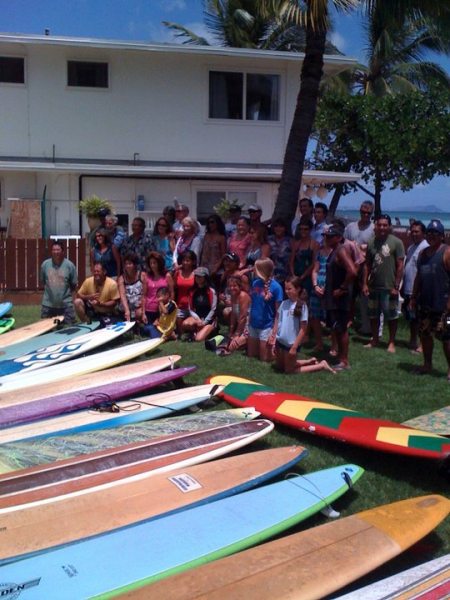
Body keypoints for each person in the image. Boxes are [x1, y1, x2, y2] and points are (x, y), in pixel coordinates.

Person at [411, 219, 450, 382]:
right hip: (426, 304)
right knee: (425, 334)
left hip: (445, 307)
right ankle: (427, 364)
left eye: (436, 233)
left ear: (442, 236)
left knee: (447, 337)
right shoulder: (423, 254)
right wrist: (413, 297)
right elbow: (418, 277)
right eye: (429, 233)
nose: (432, 236)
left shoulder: (447, 252)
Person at [272, 276, 336, 374]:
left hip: (291, 343)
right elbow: (278, 321)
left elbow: (303, 329)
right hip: (281, 341)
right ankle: (309, 361)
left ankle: (321, 365)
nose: (287, 291)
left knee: (289, 371)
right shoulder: (284, 303)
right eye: (285, 289)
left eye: (289, 289)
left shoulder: (301, 306)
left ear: (298, 289)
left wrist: (294, 347)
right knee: (280, 367)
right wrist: (273, 337)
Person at [363, 214, 405, 353]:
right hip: (374, 286)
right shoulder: (371, 242)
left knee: (391, 316)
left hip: (389, 287)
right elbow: (367, 265)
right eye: (379, 224)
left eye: (385, 225)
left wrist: (396, 286)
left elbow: (400, 265)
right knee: (373, 315)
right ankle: (375, 339)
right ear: (376, 226)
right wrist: (365, 284)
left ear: (389, 226)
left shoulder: (397, 242)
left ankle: (391, 342)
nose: (382, 227)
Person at [323, 225, 358, 370]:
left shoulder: (341, 250)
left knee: (342, 328)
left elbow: (353, 271)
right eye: (326, 236)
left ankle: (344, 361)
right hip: (333, 297)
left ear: (338, 237)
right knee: (337, 328)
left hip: (340, 298)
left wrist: (342, 288)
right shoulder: (334, 251)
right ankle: (340, 357)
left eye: (330, 236)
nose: (327, 239)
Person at [344, 200, 375, 334]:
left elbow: (375, 248)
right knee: (349, 295)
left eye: (368, 213)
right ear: (360, 211)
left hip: (366, 268)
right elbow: (344, 244)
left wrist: (363, 248)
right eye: (363, 212)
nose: (365, 215)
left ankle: (365, 324)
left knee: (364, 297)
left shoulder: (373, 228)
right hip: (351, 267)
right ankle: (348, 320)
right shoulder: (351, 227)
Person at [401, 221, 428, 353]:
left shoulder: (426, 247)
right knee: (412, 318)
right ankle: (413, 341)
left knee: (422, 319)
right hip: (408, 288)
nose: (414, 234)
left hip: (419, 291)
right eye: (412, 231)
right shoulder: (411, 247)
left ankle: (423, 345)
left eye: (417, 231)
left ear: (423, 233)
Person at [248, 258, 283, 362]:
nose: (253, 270)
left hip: (266, 326)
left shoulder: (276, 287)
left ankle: (281, 354)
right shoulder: (255, 283)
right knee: (251, 355)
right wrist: (248, 322)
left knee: (264, 359)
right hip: (253, 324)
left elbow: (278, 313)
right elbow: (252, 303)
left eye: (255, 268)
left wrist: (274, 333)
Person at [40, 240, 77, 324]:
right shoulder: (45, 265)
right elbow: (43, 281)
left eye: (58, 250)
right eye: (54, 250)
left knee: (69, 327)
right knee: (45, 327)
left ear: (63, 251)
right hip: (48, 304)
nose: (56, 252)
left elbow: (73, 284)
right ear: (51, 251)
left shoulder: (70, 266)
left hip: (66, 305)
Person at [181, 267, 218, 342]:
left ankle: (208, 331)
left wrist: (205, 322)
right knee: (185, 324)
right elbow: (190, 309)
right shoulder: (192, 291)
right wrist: (198, 320)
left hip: (209, 319)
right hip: (197, 318)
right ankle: (196, 332)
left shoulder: (211, 291)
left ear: (205, 277)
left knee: (199, 339)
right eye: (196, 276)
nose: (198, 278)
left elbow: (213, 309)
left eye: (200, 276)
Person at [219, 275, 250, 355]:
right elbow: (233, 315)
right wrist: (231, 331)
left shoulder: (243, 296)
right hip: (240, 325)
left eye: (234, 286)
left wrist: (236, 334)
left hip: (248, 326)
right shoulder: (233, 296)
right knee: (225, 342)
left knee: (231, 346)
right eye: (230, 286)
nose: (232, 288)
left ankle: (247, 342)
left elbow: (243, 317)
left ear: (240, 286)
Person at [142, 251, 174, 327]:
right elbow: (144, 296)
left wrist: (169, 307)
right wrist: (143, 313)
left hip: (162, 309)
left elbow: (172, 293)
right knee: (149, 329)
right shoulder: (147, 277)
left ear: (159, 263)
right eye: (151, 263)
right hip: (149, 309)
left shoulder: (167, 276)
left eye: (154, 263)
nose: (152, 265)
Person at [290, 217, 320, 298]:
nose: (303, 231)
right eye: (301, 229)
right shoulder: (296, 243)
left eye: (306, 229)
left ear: (310, 230)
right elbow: (291, 261)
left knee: (305, 298)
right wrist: (293, 275)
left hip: (307, 276)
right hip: (295, 275)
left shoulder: (315, 244)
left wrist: (303, 276)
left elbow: (314, 263)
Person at [173, 250, 197, 334]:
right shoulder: (177, 273)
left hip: (193, 307)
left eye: (187, 260)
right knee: (180, 332)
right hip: (180, 306)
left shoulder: (196, 274)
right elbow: (174, 288)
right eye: (183, 260)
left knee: (189, 326)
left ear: (193, 262)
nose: (185, 263)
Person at [117, 252, 144, 323]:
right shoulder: (121, 278)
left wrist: (142, 305)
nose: (127, 266)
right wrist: (127, 310)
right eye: (126, 264)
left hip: (139, 305)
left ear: (134, 265)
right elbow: (122, 295)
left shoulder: (142, 275)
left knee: (140, 313)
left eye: (130, 264)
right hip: (127, 306)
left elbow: (145, 293)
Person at [200, 214, 227, 284]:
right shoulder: (206, 236)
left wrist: (216, 268)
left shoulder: (221, 238)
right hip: (205, 268)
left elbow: (223, 255)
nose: (210, 224)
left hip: (216, 270)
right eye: (208, 223)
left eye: (212, 222)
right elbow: (203, 251)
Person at [268, 218, 292, 285]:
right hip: (271, 273)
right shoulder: (268, 239)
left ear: (285, 228)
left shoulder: (290, 240)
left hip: (285, 273)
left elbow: (292, 258)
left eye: (281, 226)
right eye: (276, 226)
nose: (278, 228)